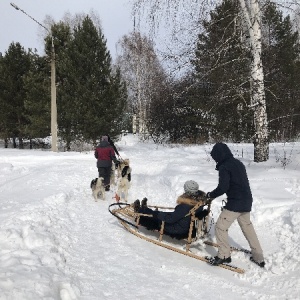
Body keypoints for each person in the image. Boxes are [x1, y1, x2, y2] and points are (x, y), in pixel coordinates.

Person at [206, 142, 265, 267]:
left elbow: (223, 187)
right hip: (247, 200)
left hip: (235, 203)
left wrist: (210, 195)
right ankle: (258, 256)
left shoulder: (225, 167)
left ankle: (223, 256)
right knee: (247, 227)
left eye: (215, 157)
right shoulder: (238, 163)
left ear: (219, 155)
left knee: (220, 227)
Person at [133, 180, 209, 239]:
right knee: (160, 213)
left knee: (156, 215)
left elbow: (170, 219)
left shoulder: (185, 206)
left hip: (177, 229)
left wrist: (158, 214)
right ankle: (145, 209)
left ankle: (140, 211)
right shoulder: (199, 202)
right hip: (186, 225)